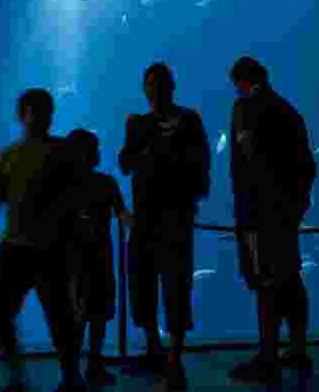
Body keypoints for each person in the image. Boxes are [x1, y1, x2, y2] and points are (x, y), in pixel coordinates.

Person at [0, 89, 85, 392]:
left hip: (53, 249)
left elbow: (77, 198)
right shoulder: (10, 156)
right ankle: (18, 374)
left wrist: (75, 239)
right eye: (34, 110)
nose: (40, 116)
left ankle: (71, 376)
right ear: (22, 115)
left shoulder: (63, 152)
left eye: (44, 110)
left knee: (61, 319)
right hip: (17, 247)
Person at [118, 63, 211, 391]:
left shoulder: (189, 120)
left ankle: (174, 359)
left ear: (172, 86)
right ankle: (155, 349)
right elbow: (125, 162)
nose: (155, 89)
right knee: (141, 282)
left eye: (160, 83)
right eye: (150, 84)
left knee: (175, 284)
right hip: (145, 215)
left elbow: (201, 167)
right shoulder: (138, 123)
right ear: (145, 89)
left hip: (175, 215)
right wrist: (144, 145)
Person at [226, 57, 316, 384]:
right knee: (290, 278)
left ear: (242, 81)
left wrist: (249, 210)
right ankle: (298, 349)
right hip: (285, 213)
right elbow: (306, 165)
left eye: (237, 83)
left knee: (265, 282)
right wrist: (296, 207)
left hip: (258, 213)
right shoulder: (289, 111)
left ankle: (267, 358)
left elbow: (246, 165)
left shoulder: (245, 110)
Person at [54, 129, 134, 386]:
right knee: (84, 315)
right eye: (93, 149)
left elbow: (122, 213)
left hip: (87, 259)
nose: (98, 153)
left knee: (92, 314)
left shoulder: (99, 183)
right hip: (80, 260)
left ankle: (86, 366)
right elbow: (123, 214)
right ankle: (83, 367)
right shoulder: (97, 183)